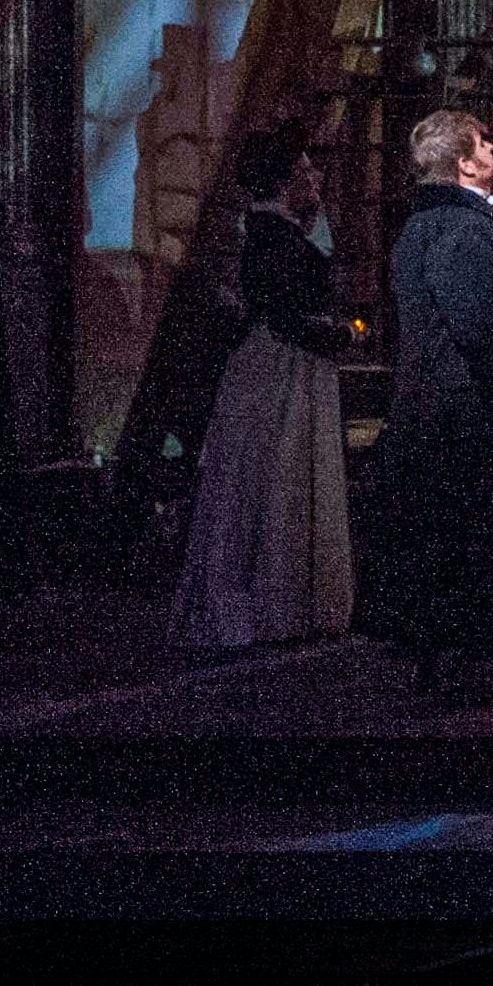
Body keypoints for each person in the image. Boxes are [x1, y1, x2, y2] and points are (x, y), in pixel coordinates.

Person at [374, 109, 493, 704]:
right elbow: (482, 327)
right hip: (462, 408)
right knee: (466, 541)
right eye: (483, 143)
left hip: (435, 403)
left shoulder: (427, 227)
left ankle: (440, 667)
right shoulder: (463, 230)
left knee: (440, 539)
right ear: (465, 163)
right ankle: (462, 675)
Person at [171, 126, 357, 649]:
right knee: (276, 474)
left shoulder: (278, 231)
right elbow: (283, 310)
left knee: (280, 475)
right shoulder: (270, 235)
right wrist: (337, 333)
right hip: (281, 368)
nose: (314, 176)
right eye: (304, 171)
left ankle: (282, 597)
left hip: (287, 364)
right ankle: (269, 597)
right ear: (282, 181)